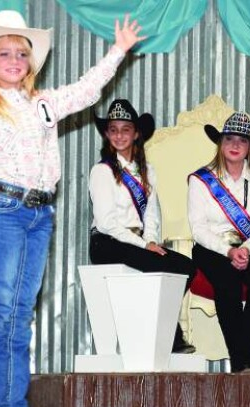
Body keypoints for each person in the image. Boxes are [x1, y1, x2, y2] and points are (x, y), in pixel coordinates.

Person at [0, 10, 145, 406]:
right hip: (3, 209)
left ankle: (12, 401)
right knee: (0, 314)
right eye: (5, 54)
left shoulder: (44, 102)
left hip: (39, 215)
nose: (15, 61)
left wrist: (118, 51)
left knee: (19, 316)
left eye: (22, 54)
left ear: (31, 62)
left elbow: (87, 90)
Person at [88, 98, 197, 354]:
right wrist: (144, 244)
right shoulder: (102, 171)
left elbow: (151, 213)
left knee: (186, 267)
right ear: (106, 134)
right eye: (113, 129)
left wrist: (151, 239)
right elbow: (106, 224)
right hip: (107, 243)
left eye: (126, 129)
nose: (119, 135)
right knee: (163, 265)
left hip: (136, 242)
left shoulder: (146, 170)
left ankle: (164, 330)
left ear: (136, 134)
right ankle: (171, 336)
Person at [187, 112, 250, 373]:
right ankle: (245, 359)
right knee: (228, 283)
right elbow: (199, 228)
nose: (235, 145)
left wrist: (246, 249)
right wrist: (228, 251)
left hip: (249, 246)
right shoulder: (200, 180)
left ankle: (242, 357)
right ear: (220, 144)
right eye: (229, 139)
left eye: (242, 140)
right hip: (212, 248)